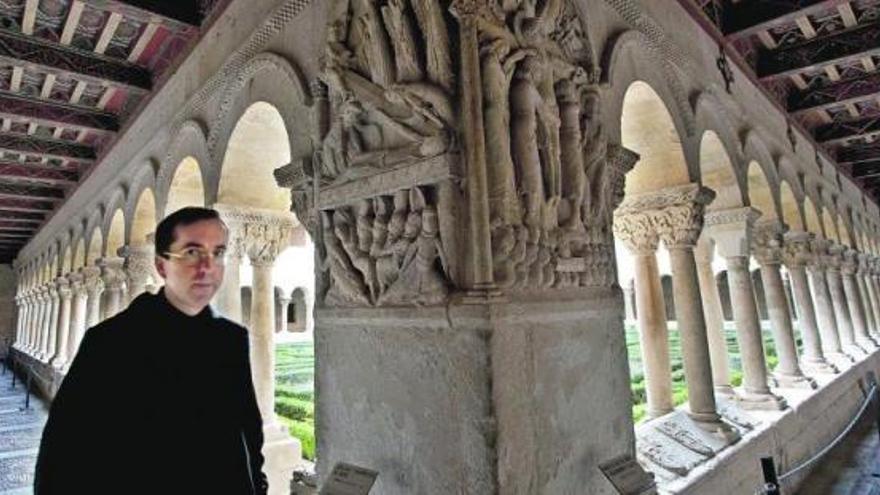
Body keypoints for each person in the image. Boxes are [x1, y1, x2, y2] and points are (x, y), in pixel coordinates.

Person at [34, 207, 268, 495]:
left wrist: (258, 486)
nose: (208, 266)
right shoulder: (111, 342)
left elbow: (249, 430)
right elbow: (61, 454)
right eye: (192, 252)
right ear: (161, 266)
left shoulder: (231, 340)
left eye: (218, 253)